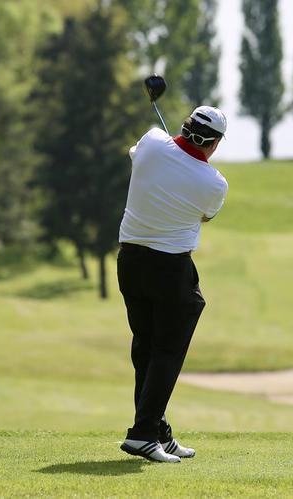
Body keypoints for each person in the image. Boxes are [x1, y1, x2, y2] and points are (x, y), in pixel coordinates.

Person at [117, 106, 229, 463]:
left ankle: (157, 432)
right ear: (215, 144)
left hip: (129, 262)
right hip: (170, 269)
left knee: (146, 350)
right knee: (166, 352)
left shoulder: (151, 141)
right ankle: (143, 434)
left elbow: (138, 158)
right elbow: (205, 217)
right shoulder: (213, 183)